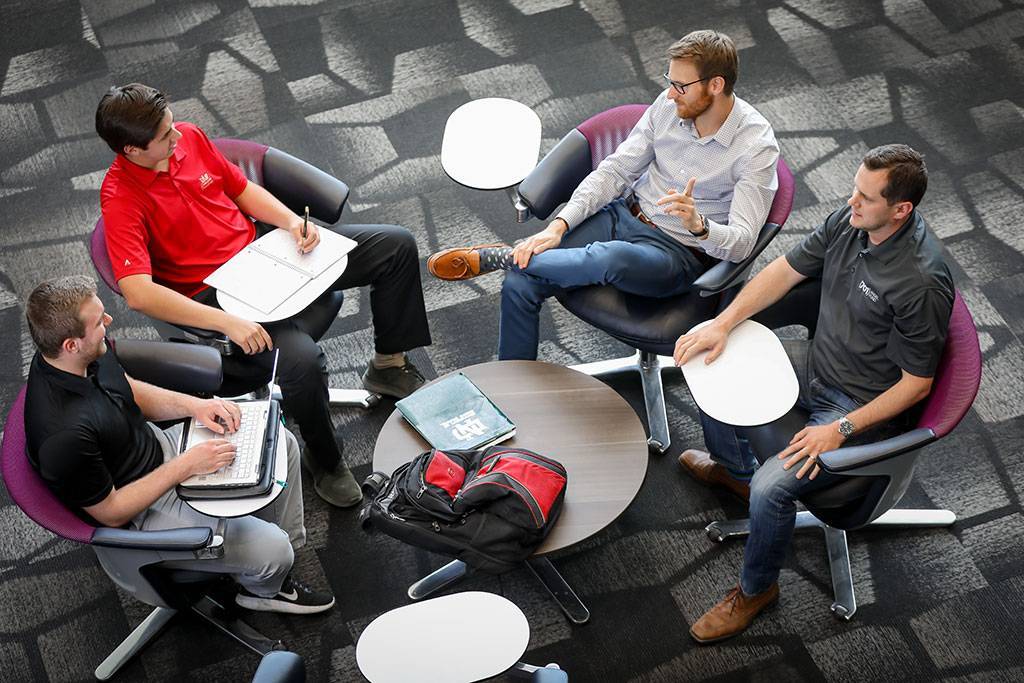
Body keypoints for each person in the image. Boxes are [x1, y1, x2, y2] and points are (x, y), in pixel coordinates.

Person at [95, 83, 433, 508]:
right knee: (302, 361)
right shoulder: (121, 199)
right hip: (217, 295)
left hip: (264, 252)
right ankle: (325, 460)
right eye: (165, 136)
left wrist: (292, 224)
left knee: (395, 246)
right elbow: (139, 294)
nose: (177, 136)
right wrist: (228, 323)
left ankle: (388, 365)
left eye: (172, 127)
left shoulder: (189, 136)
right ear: (131, 150)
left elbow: (240, 189)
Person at [673, 144, 954, 643]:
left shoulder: (921, 283)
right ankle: (735, 473)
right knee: (712, 360)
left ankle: (757, 590)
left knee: (772, 487)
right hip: (819, 362)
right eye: (854, 190)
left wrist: (839, 429)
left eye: (866, 198)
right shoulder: (853, 221)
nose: (851, 203)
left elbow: (918, 385)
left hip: (856, 405)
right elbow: (785, 270)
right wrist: (722, 323)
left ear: (901, 209)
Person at [426, 30, 779, 360]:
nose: (670, 94)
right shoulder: (668, 105)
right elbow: (617, 170)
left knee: (609, 258)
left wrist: (699, 225)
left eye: (680, 86)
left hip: (678, 253)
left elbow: (743, 243)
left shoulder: (755, 148)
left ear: (715, 85)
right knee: (520, 279)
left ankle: (502, 256)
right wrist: (559, 226)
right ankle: (510, 391)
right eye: (669, 83)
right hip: (625, 214)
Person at [24, 276, 334, 614]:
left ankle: (273, 555)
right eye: (99, 322)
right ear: (70, 344)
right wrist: (186, 465)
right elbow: (111, 513)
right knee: (273, 550)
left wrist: (195, 406)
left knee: (281, 443)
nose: (109, 322)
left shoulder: (83, 356)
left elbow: (127, 389)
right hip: (142, 508)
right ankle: (262, 587)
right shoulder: (62, 436)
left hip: (159, 448)